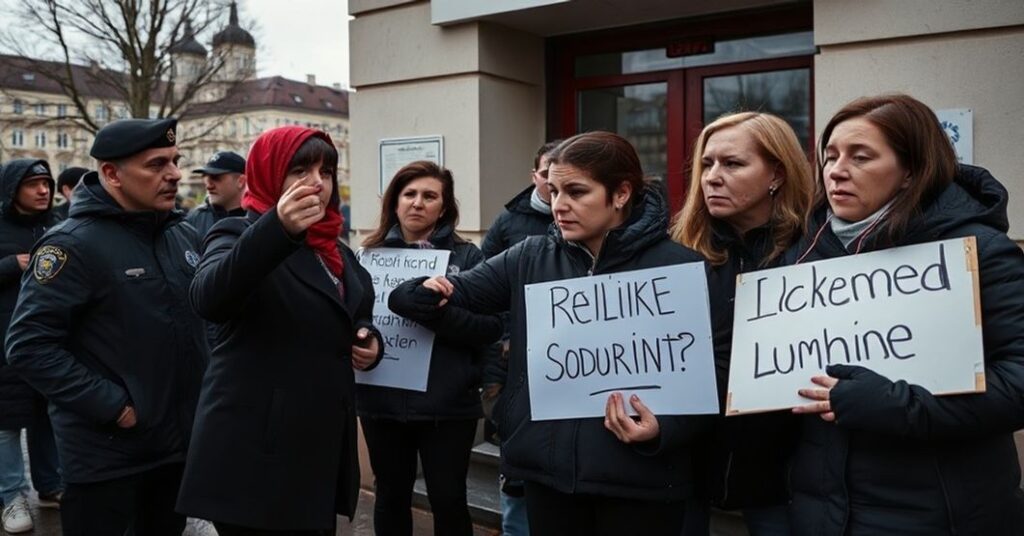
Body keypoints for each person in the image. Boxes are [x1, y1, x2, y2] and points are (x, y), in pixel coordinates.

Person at [390, 131, 712, 535]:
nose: (560, 206)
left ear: (621, 193)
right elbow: (458, 293)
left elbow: (712, 369)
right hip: (549, 476)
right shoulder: (529, 256)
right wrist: (416, 291)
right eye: (555, 190)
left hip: (641, 479)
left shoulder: (681, 268)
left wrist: (665, 428)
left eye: (577, 192)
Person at [788, 94, 1024, 535]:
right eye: (831, 156)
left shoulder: (978, 253)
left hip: (940, 515)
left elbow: (1018, 380)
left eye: (861, 157)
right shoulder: (803, 258)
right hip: (824, 515)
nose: (836, 170)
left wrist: (898, 405)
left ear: (910, 171)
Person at [4, 118, 208, 536]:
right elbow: (29, 346)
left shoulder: (180, 236)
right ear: (112, 174)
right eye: (156, 165)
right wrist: (114, 406)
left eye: (175, 161)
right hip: (108, 461)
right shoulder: (71, 245)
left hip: (174, 451)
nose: (174, 174)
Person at [176, 126, 383, 535]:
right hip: (257, 455)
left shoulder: (334, 247)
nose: (316, 183)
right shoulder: (235, 231)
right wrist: (278, 228)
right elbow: (209, 299)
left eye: (326, 171)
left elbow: (354, 310)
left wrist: (367, 338)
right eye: (300, 170)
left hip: (314, 446)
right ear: (270, 174)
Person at [671, 112, 813, 535]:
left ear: (777, 174)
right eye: (707, 164)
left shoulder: (818, 254)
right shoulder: (676, 257)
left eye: (732, 164)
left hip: (785, 467)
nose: (712, 177)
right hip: (688, 459)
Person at [359, 161, 501, 536]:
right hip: (383, 402)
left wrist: (437, 315)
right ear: (395, 202)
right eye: (409, 194)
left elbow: (490, 327)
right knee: (389, 495)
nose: (417, 203)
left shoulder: (467, 258)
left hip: (447, 405)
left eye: (429, 196)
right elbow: (355, 318)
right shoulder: (367, 256)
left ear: (445, 206)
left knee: (449, 498)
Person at [479, 140, 559, 536]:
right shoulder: (508, 223)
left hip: (567, 370)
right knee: (516, 474)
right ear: (535, 177)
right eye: (548, 175)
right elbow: (483, 289)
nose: (555, 185)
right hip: (511, 368)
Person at [0, 159, 64, 533]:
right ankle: (11, 497)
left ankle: (50, 485)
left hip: (50, 342)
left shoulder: (56, 227)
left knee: (47, 417)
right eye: (33, 184)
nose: (43, 190)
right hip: (4, 345)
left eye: (46, 183)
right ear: (12, 189)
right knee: (7, 424)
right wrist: (12, 264)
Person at [186, 151, 247, 238]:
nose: (208, 186)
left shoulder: (257, 218)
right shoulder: (195, 219)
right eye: (206, 178)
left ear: (241, 181)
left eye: (216, 177)